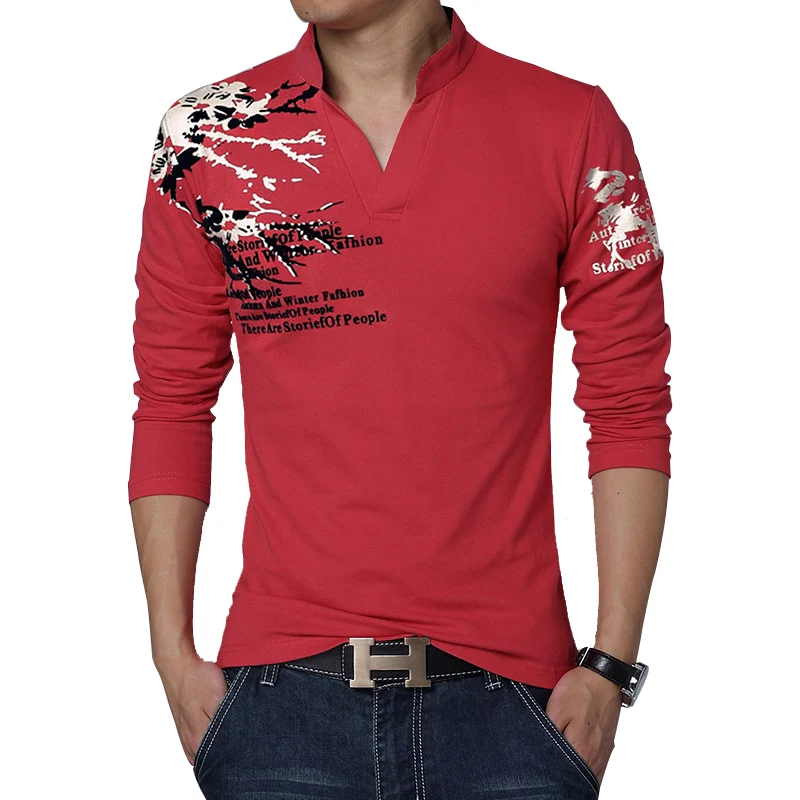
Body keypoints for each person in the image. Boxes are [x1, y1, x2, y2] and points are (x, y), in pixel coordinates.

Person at [128, 2, 671, 797]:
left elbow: (628, 402)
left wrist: (610, 668)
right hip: (279, 710)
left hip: (516, 710)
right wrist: (172, 659)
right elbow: (172, 398)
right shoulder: (206, 135)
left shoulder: (574, 125)